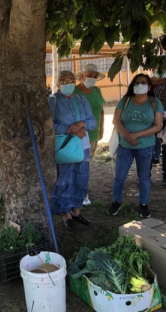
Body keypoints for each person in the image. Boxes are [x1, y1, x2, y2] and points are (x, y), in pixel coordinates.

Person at [108, 74, 164, 218]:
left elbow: (158, 126)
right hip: (125, 145)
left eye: (143, 82)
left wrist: (136, 135)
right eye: (137, 82)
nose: (140, 85)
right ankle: (116, 202)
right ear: (132, 86)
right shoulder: (125, 100)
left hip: (145, 146)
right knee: (119, 177)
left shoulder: (154, 102)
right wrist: (127, 135)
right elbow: (116, 120)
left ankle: (144, 204)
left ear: (149, 86)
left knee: (144, 176)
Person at [49, 70, 96, 231]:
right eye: (64, 80)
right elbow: (49, 125)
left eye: (71, 80)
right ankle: (65, 213)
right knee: (65, 178)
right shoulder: (53, 101)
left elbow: (92, 121)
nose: (68, 83)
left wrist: (81, 124)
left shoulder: (81, 99)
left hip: (82, 146)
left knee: (81, 178)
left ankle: (76, 211)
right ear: (57, 84)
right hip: (65, 146)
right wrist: (71, 129)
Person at [74, 63, 106, 206]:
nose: (92, 79)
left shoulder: (97, 91)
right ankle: (78, 192)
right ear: (81, 77)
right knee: (77, 164)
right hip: (77, 135)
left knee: (87, 165)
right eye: (89, 76)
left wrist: (101, 129)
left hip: (92, 134)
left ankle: (83, 191)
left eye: (94, 77)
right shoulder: (74, 92)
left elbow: (101, 111)